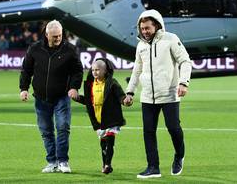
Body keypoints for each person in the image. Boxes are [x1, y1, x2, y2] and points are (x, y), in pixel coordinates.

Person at [124, 9, 192, 178]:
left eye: (147, 28)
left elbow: (185, 61)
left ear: (157, 26)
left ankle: (179, 155)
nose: (144, 31)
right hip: (147, 96)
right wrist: (130, 92)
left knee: (173, 128)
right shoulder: (141, 45)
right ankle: (153, 167)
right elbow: (137, 69)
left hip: (170, 94)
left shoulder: (171, 39)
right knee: (148, 132)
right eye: (142, 28)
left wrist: (184, 83)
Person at [19, 20, 83, 173]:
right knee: (46, 131)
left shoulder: (70, 50)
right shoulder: (34, 49)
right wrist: (23, 88)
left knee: (62, 128)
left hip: (62, 97)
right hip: (41, 98)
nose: (58, 39)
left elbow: (77, 71)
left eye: (60, 35)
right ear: (47, 35)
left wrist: (74, 87)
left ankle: (63, 161)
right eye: (54, 36)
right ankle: (52, 162)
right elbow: (26, 70)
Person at [72, 58, 132, 174]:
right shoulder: (89, 85)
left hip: (111, 118)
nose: (95, 72)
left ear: (105, 71)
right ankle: (104, 164)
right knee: (103, 144)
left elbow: (120, 96)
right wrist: (78, 98)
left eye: (98, 70)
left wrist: (125, 101)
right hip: (98, 120)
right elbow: (89, 102)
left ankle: (108, 164)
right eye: (93, 70)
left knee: (110, 140)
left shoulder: (112, 83)